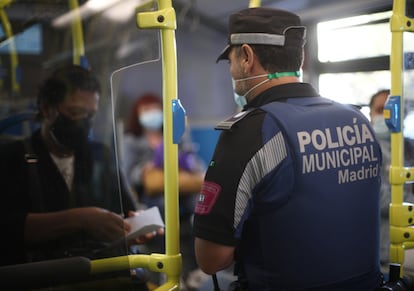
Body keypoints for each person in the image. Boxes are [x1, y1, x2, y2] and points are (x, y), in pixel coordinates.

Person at [193, 7, 383, 290]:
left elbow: (211, 259)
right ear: (301, 58)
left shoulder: (250, 133)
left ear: (246, 57)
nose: (231, 71)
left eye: (231, 61)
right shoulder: (358, 120)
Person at [0, 64, 160, 290]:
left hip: (99, 276)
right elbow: (9, 228)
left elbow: (124, 209)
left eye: (90, 115)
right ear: (48, 110)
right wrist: (82, 219)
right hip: (43, 278)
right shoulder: (13, 158)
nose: (83, 122)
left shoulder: (99, 156)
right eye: (75, 113)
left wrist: (132, 227)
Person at [121, 93, 207, 289]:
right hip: (151, 194)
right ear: (138, 114)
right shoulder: (132, 140)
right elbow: (128, 175)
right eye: (146, 110)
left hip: (180, 190)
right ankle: (161, 269)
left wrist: (180, 161)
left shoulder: (176, 133)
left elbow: (193, 161)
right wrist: (147, 167)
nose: (151, 114)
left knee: (198, 205)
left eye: (154, 109)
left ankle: (193, 269)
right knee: (161, 208)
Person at [369, 89, 414, 269]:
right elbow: (379, 199)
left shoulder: (409, 147)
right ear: (371, 113)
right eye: (380, 110)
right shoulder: (366, 149)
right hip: (381, 252)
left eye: (392, 111)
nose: (386, 116)